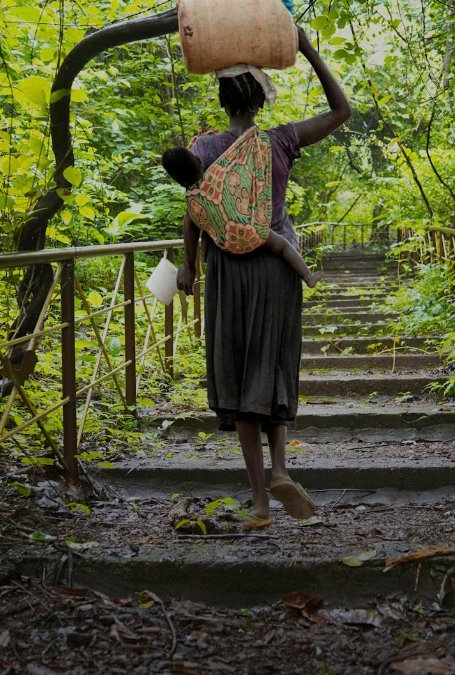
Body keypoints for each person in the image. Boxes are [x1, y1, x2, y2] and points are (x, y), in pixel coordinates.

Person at [175, 27, 350, 529]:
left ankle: (258, 501)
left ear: (223, 98)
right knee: (273, 365)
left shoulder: (205, 148)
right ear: (260, 99)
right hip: (277, 267)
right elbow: (341, 112)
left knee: (238, 374)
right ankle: (280, 469)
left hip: (230, 271)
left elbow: (192, 213)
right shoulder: (281, 141)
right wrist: (308, 49)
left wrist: (190, 266)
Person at [160, 144, 322, 288]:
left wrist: (191, 265)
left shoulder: (193, 204)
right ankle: (308, 277)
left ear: (179, 182)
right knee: (282, 246)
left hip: (230, 244)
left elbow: (196, 225)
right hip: (251, 229)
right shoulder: (219, 172)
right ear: (197, 159)